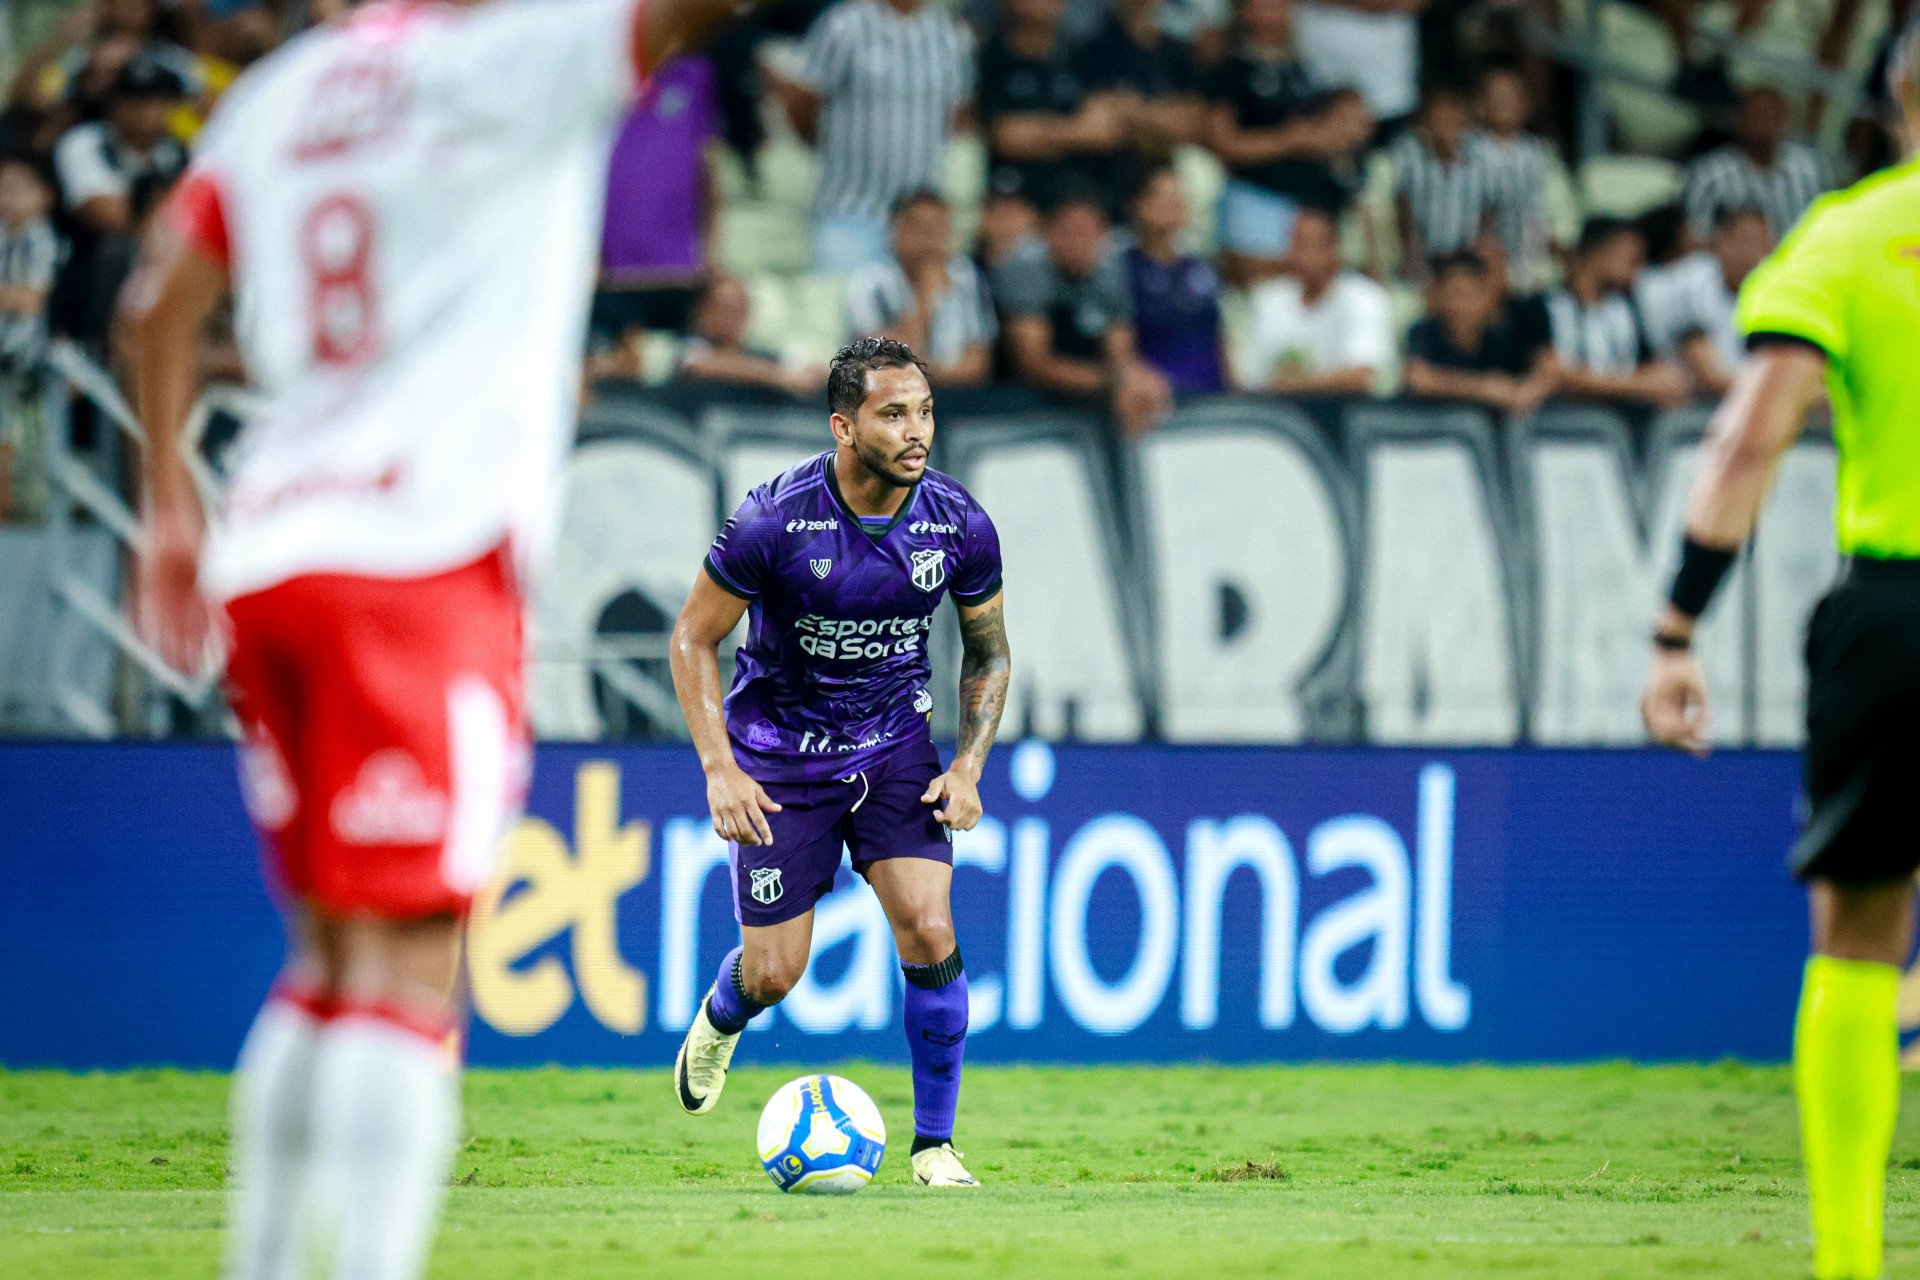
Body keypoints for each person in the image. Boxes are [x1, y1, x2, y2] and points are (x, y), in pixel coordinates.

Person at [124, 0, 764, 1274]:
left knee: (324, 954)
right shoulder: (514, 56)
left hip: (274, 550)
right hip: (421, 555)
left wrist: (172, 504)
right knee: (415, 957)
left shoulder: (281, 93)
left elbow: (154, 308)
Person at [1640, 27, 1920, 1280]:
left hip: (1895, 607)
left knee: (1858, 933)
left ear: (1894, 97)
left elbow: (1749, 439)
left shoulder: (1853, 239)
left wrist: (1676, 627)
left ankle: (1853, 1261)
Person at [668, 336, 1012, 1190]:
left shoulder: (958, 523)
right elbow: (693, 637)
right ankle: (722, 1014)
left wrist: (967, 764)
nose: (916, 430)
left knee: (930, 927)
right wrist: (719, 767)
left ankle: (935, 1146)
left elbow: (990, 655)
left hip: (895, 746)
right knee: (777, 974)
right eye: (894, 414)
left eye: (925, 410)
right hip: (781, 762)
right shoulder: (773, 521)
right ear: (844, 426)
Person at [771, 0, 975, 274]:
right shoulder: (844, 25)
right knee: (840, 311)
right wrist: (828, 145)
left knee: (923, 311)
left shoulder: (950, 36)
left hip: (919, 221)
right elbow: (802, 100)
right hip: (850, 212)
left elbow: (958, 113)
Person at [1203, 0, 1367, 281]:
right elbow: (1221, 142)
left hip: (1317, 205)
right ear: (1245, 10)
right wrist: (1286, 141)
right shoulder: (1234, 69)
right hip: (1260, 200)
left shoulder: (1302, 69)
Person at [992, 192, 1172, 435]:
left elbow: (1120, 352)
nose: (1078, 242)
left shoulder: (1110, 272)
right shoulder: (1023, 269)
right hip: (1014, 396)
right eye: (1069, 231)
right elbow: (1035, 364)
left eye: (1089, 233)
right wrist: (1113, 382)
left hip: (1086, 387)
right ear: (1047, 233)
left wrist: (1136, 379)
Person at [52, 54, 188, 346]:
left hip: (161, 262)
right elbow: (107, 217)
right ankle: (96, 347)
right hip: (85, 277)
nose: (142, 111)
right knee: (119, 250)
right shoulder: (84, 142)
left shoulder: (178, 153)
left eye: (152, 101)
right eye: (132, 100)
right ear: (113, 105)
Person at [594, 56, 720, 347]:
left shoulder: (694, 74)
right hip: (616, 275)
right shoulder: (603, 73)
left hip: (677, 274)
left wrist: (709, 250)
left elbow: (707, 171)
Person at [977, 0, 1124, 213]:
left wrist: (1039, 134)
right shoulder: (992, 57)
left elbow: (1105, 131)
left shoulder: (1081, 55)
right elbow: (1007, 136)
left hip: (1080, 199)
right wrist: (1078, 132)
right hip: (1012, 199)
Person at [846, 190, 995, 389]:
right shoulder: (868, 282)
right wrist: (925, 301)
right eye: (921, 229)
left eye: (939, 229)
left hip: (955, 393)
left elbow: (978, 363)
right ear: (895, 232)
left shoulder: (965, 275)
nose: (931, 239)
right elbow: (880, 364)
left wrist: (925, 375)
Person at [1239, 205, 1392, 396]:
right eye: (1293, 243)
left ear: (1333, 249)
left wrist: (1292, 388)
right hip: (1276, 418)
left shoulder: (1365, 297)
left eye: (1307, 245)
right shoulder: (1266, 299)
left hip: (1340, 416)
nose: (1297, 255)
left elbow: (1360, 378)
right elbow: (1248, 378)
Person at [1542, 216, 1690, 409]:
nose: (1637, 272)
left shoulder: (1630, 309)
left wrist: (1584, 380)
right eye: (1631, 260)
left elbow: (1662, 378)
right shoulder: (1546, 306)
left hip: (1623, 426)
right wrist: (1635, 385)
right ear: (1597, 255)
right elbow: (1553, 376)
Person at [1637, 204, 1771, 398]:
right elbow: (1709, 376)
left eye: (1761, 243)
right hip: (1692, 405)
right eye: (1745, 241)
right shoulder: (1689, 283)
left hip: (1745, 399)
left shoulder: (1768, 289)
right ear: (1718, 241)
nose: (1752, 253)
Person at [1403, 249, 1555, 413]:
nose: (1458, 305)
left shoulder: (1501, 337)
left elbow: (1541, 374)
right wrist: (1483, 388)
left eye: (1466, 294)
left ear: (1485, 296)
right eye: (1451, 293)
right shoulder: (1424, 332)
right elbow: (1418, 378)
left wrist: (1523, 393)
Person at [1123, 164, 1227, 395]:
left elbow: (1218, 340)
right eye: (1166, 197)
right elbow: (1119, 347)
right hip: (1157, 401)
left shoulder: (1201, 268)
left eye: (1179, 197)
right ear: (1139, 204)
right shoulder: (1123, 269)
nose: (1176, 204)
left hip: (1211, 397)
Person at [1683, 84, 1833, 243]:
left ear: (1785, 120)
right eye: (1757, 115)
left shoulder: (1813, 168)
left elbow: (1832, 225)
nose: (1765, 123)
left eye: (1772, 116)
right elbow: (1693, 237)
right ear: (1737, 119)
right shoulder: (1709, 174)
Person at [0, 154, 55, 524]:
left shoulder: (42, 238)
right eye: (3, 188)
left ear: (44, 196)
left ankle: (9, 509)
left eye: (19, 188)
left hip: (28, 358)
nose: (8, 197)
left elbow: (32, 299)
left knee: (14, 436)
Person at [1470, 63, 1556, 292]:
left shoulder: (1540, 153)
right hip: (1482, 257)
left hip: (1533, 256)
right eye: (1497, 97)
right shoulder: (1468, 153)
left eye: (1511, 97)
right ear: (1480, 105)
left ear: (1526, 105)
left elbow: (1553, 210)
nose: (1504, 104)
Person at [1390, 84, 1491, 280]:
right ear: (1425, 123)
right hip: (1421, 258)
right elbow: (1402, 209)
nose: (1446, 126)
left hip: (1465, 257)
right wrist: (1412, 256)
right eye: (1439, 119)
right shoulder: (1408, 156)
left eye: (1452, 119)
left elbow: (1488, 210)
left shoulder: (1480, 159)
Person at [678, 274, 821, 398]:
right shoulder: (690, 347)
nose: (735, 317)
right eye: (727, 308)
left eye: (741, 309)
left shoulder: (760, 354)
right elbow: (705, 364)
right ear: (704, 311)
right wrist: (778, 377)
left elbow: (802, 368)